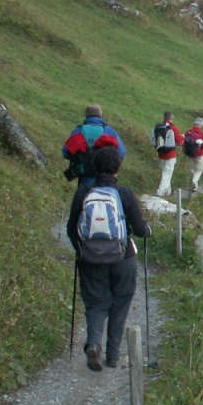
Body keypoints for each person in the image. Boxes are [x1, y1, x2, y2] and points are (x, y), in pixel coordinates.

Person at [66, 146, 152, 371]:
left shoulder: (84, 192)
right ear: (118, 167)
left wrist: (82, 251)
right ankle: (113, 355)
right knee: (120, 302)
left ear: (94, 166)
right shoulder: (125, 193)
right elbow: (140, 229)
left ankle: (94, 344)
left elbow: (71, 229)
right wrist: (148, 230)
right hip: (123, 257)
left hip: (90, 259)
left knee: (96, 303)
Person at [62, 104, 126, 186]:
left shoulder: (78, 131)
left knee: (84, 194)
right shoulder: (109, 131)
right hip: (105, 177)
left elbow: (65, 152)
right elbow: (121, 153)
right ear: (100, 115)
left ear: (86, 115)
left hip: (85, 177)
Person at [151, 111, 184, 197]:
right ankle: (160, 192)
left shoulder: (158, 127)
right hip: (170, 155)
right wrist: (182, 137)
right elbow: (180, 142)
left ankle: (168, 192)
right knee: (167, 174)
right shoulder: (173, 128)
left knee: (165, 173)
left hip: (161, 154)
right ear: (172, 118)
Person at [183, 117, 203, 192]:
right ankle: (194, 182)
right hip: (198, 155)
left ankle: (194, 187)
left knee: (192, 169)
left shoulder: (188, 132)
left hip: (189, 154)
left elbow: (184, 141)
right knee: (199, 170)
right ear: (201, 125)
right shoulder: (202, 134)